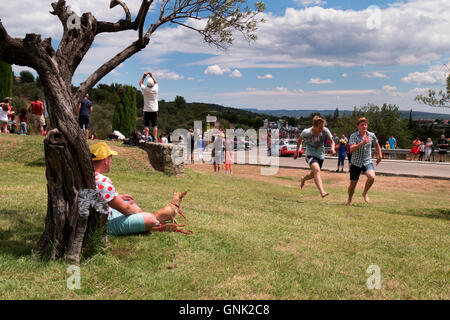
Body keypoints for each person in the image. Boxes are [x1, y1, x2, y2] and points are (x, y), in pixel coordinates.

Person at [90, 142, 178, 235]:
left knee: (129, 201)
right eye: (111, 157)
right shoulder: (103, 181)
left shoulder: (89, 176)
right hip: (105, 224)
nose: (111, 161)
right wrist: (136, 211)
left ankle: (149, 223)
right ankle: (154, 224)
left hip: (101, 215)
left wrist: (119, 197)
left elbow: (100, 197)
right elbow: (126, 209)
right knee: (149, 218)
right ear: (105, 160)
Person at [293, 115, 336, 198]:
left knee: (313, 174)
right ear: (315, 126)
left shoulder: (325, 131)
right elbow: (299, 141)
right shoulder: (307, 132)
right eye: (320, 128)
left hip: (320, 155)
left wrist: (333, 148)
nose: (322, 129)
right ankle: (322, 191)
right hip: (310, 155)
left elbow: (332, 142)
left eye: (323, 127)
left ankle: (303, 179)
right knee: (317, 170)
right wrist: (297, 152)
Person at [347, 117, 382, 206]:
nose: (364, 126)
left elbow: (377, 144)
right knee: (352, 185)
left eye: (365, 125)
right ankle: (349, 199)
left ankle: (364, 193)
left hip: (367, 161)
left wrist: (380, 155)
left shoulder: (372, 135)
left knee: (372, 177)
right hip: (355, 163)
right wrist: (362, 143)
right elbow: (351, 149)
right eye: (362, 125)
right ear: (358, 126)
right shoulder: (353, 136)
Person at [139, 72, 159, 142]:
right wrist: (151, 76)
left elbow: (140, 83)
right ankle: (155, 138)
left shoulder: (145, 89)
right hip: (154, 110)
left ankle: (147, 138)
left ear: (147, 84)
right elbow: (156, 82)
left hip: (146, 109)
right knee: (155, 125)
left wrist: (144, 76)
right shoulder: (156, 89)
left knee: (146, 125)